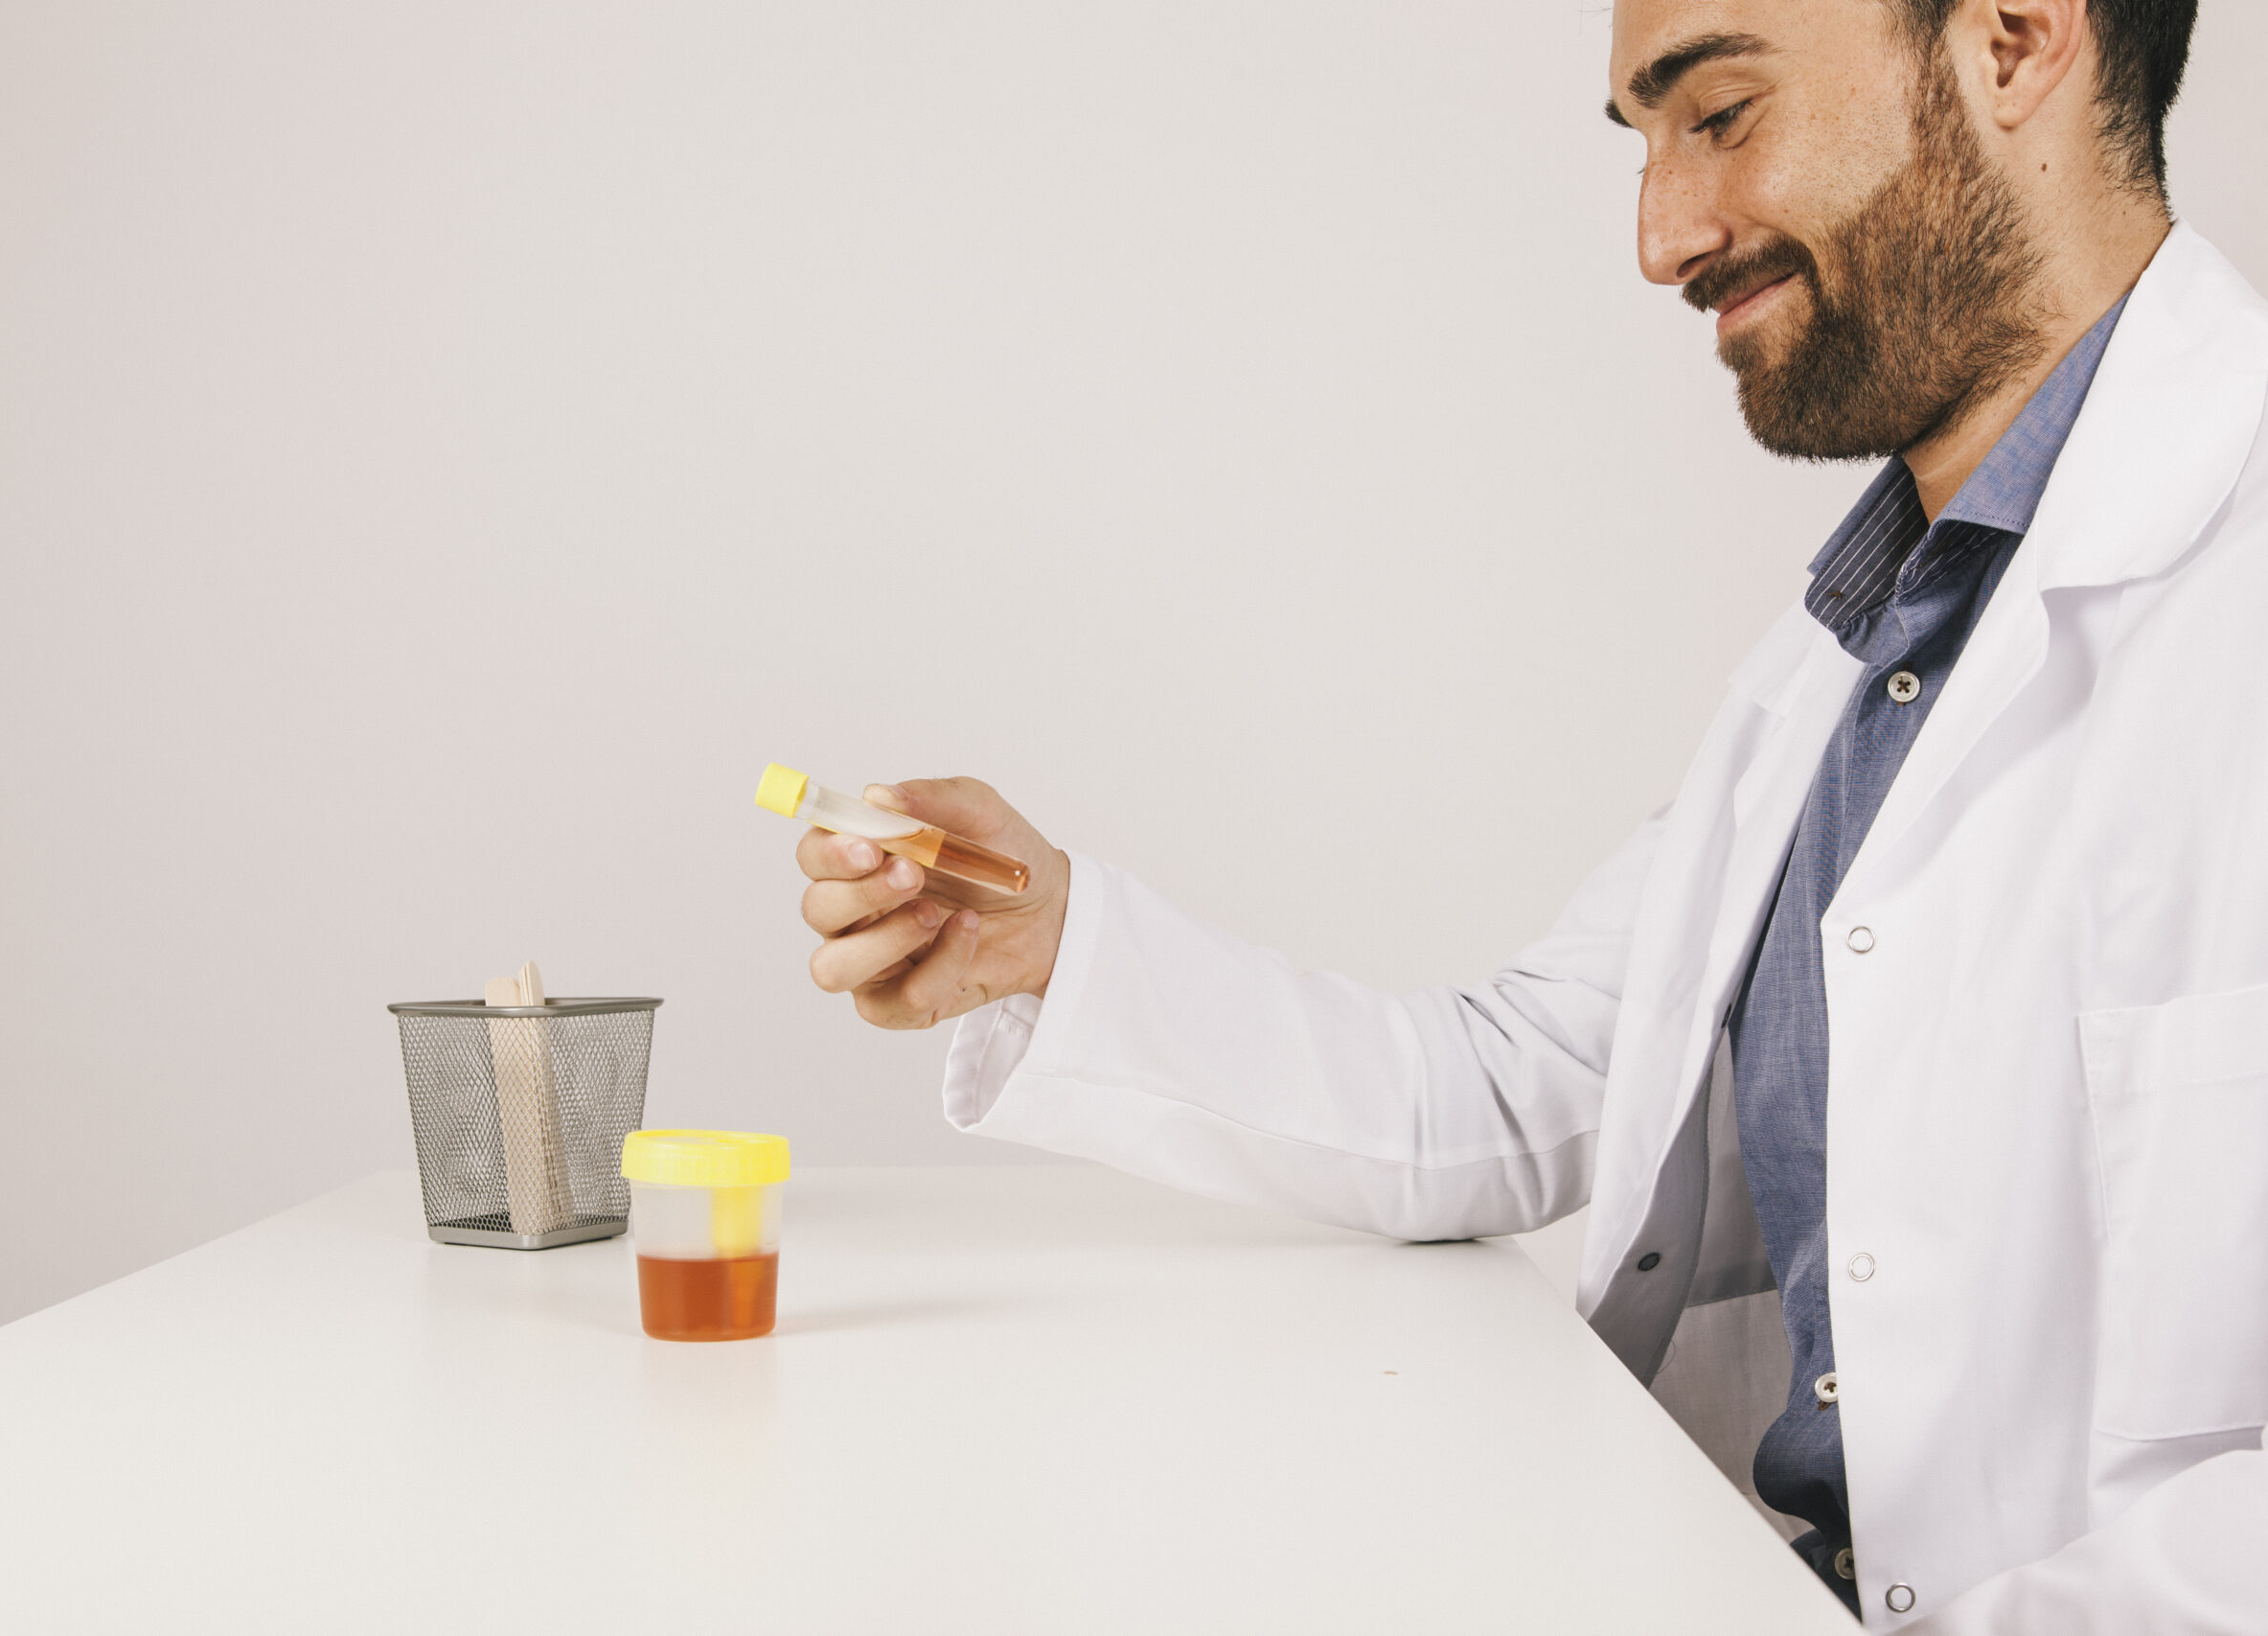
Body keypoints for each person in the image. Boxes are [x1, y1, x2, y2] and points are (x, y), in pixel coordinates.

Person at [790, 0, 2262, 1627]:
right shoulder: (1851, 662)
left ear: (2010, 40)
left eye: (1717, 114)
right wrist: (1054, 945)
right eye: (1642, 145)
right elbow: (1508, 1089)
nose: (1660, 236)